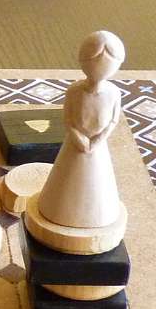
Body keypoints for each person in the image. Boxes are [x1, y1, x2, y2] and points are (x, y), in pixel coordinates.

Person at [36, 30, 125, 229]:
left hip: (97, 148)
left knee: (97, 190)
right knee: (64, 191)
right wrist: (77, 136)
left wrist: (98, 140)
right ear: (83, 62)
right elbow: (68, 119)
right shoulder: (74, 91)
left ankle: (93, 216)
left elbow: (113, 121)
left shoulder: (113, 93)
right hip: (75, 144)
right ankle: (60, 211)